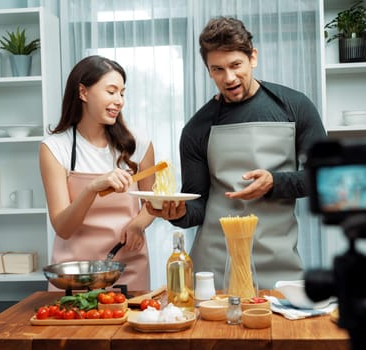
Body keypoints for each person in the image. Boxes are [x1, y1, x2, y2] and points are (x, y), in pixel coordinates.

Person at [146, 17, 326, 290]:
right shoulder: (197, 128)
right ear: (208, 70)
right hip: (214, 269)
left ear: (252, 57)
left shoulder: (295, 107)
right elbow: (198, 205)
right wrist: (177, 213)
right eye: (217, 69)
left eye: (235, 65)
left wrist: (274, 183)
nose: (228, 78)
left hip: (279, 265)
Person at [40, 55, 155, 291]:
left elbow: (155, 201)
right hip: (73, 272)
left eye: (122, 93)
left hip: (128, 265)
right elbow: (63, 227)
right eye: (111, 91)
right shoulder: (54, 148)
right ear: (83, 93)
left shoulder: (138, 145)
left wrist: (138, 224)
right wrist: (92, 188)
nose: (119, 100)